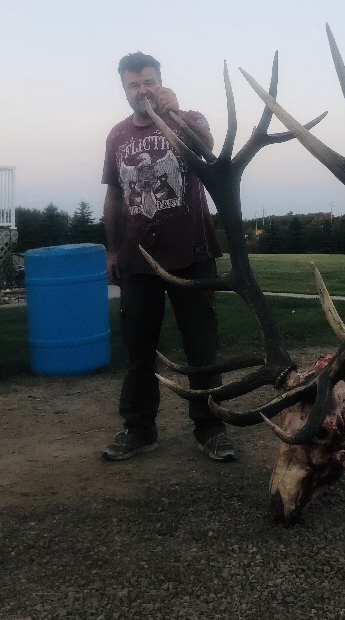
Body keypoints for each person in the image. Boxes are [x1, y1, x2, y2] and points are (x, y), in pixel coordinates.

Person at [101, 51, 237, 463]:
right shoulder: (117, 136)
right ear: (124, 90)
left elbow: (208, 153)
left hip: (192, 253)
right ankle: (139, 429)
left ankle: (210, 427)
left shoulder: (188, 118)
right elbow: (114, 195)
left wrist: (174, 112)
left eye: (148, 81)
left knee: (202, 347)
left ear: (160, 82)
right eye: (133, 84)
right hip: (138, 258)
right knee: (139, 348)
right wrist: (111, 249)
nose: (142, 90)